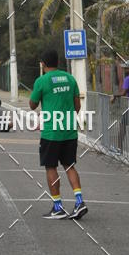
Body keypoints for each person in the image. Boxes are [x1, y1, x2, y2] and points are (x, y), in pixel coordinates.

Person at [30, 49, 87, 220]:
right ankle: (79, 202)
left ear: (43, 64)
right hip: (70, 131)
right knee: (69, 165)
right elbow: (77, 106)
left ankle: (58, 207)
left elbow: (32, 105)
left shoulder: (42, 81)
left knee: (51, 167)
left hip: (51, 133)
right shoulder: (70, 78)